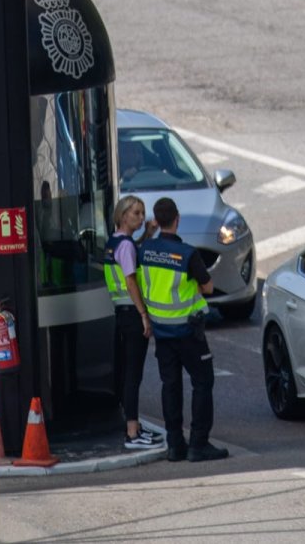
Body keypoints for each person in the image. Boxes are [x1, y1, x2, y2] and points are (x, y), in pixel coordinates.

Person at [138, 197, 228, 463]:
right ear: (177, 219)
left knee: (171, 385)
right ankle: (198, 444)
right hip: (188, 332)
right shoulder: (187, 254)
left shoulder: (144, 250)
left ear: (156, 221)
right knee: (202, 383)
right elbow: (208, 287)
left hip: (161, 331)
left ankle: (175, 444)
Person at [102, 195, 165, 450]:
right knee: (133, 375)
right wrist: (143, 315)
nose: (141, 217)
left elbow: (130, 253)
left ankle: (135, 428)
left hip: (121, 313)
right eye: (136, 213)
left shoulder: (115, 241)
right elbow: (131, 280)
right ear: (123, 215)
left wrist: (146, 236)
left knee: (129, 373)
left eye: (142, 213)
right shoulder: (126, 246)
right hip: (131, 314)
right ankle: (132, 432)